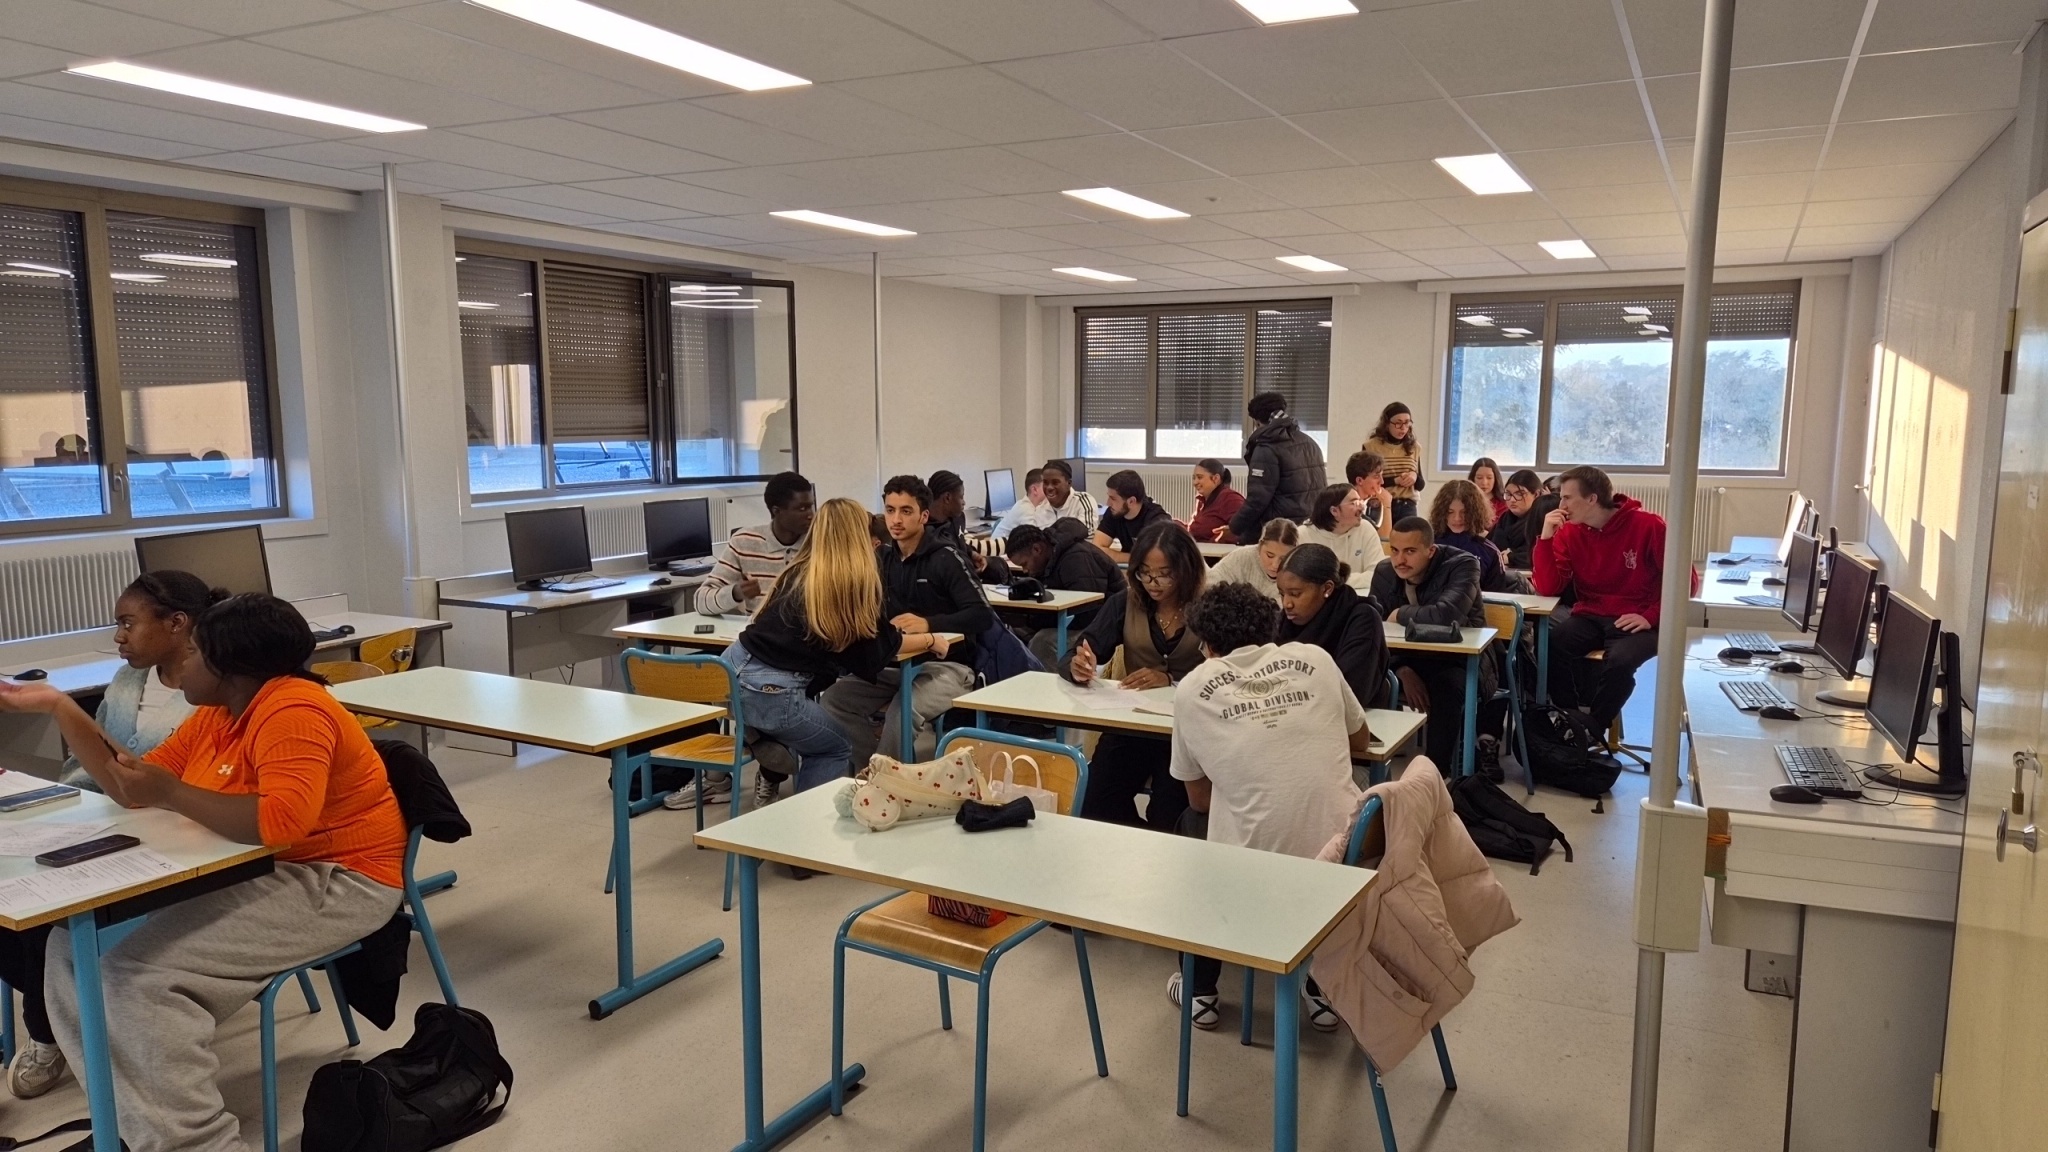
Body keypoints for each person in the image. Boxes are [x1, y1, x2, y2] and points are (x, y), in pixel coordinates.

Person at [0, 594, 408, 1152]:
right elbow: (132, 785)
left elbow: (281, 822)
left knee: (139, 980)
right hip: (249, 867)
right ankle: (136, 1126)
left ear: (229, 665)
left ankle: (198, 1141)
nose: (182, 664)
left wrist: (172, 792)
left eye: (192, 652)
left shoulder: (294, 709)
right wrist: (58, 707)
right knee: (70, 949)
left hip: (337, 879)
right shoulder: (219, 713)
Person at [0, 571, 228, 1100]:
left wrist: (59, 707)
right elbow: (96, 760)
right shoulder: (129, 679)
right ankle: (61, 1005)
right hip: (93, 808)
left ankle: (48, 1026)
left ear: (177, 624)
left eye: (128, 623)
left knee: (48, 914)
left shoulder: (209, 692)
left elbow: (147, 780)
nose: (119, 637)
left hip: (160, 830)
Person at [1165, 581, 1369, 1031]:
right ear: (1270, 628)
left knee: (1190, 826)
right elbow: (1359, 738)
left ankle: (1200, 989)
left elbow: (1199, 798)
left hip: (1259, 877)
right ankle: (1322, 986)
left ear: (1207, 644)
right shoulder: (1315, 658)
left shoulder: (1193, 688)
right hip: (1348, 857)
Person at [727, 498, 954, 798]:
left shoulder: (797, 571)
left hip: (731, 670)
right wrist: (930, 640)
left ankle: (762, 733)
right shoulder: (849, 585)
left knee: (805, 724)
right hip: (774, 690)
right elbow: (875, 651)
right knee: (834, 747)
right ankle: (810, 820)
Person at [824, 475, 994, 768]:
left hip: (949, 668)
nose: (896, 520)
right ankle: (875, 770)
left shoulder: (946, 557)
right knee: (834, 699)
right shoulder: (881, 559)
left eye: (906, 511)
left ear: (924, 516)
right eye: (890, 510)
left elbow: (982, 615)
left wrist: (929, 624)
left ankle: (889, 782)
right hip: (894, 665)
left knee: (902, 711)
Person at [1061, 521, 1206, 832]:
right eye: (1144, 572)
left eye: (1165, 574)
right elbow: (1081, 648)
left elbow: (1232, 672)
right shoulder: (1126, 602)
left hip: (1186, 731)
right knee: (1094, 803)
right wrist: (1078, 664)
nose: (1153, 583)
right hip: (1133, 726)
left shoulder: (1207, 606)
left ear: (1186, 570)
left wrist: (1171, 679)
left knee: (1169, 814)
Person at [691, 471, 816, 809]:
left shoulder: (819, 544)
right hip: (752, 646)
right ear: (776, 511)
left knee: (774, 688)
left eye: (812, 506)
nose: (811, 514)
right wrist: (734, 593)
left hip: (797, 648)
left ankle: (767, 769)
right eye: (802, 508)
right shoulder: (745, 541)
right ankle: (722, 770)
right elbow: (702, 599)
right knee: (705, 676)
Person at [1533, 465, 1667, 729]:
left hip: (1640, 618)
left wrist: (1651, 616)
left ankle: (1593, 727)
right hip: (1592, 615)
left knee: (1619, 662)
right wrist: (1546, 538)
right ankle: (1569, 718)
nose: (1561, 505)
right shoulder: (1570, 531)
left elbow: (1686, 582)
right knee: (1551, 644)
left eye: (1567, 498)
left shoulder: (1649, 525)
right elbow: (1548, 588)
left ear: (1592, 499)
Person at [1369, 517, 1495, 773]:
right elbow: (1374, 630)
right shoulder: (1384, 571)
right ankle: (1369, 769)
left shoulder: (1463, 564)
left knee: (1447, 687)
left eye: (1410, 551)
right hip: (1407, 659)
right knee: (1369, 677)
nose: (1400, 560)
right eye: (1394, 550)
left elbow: (1446, 616)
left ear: (1431, 550)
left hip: (1460, 661)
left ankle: (1435, 774)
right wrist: (1402, 669)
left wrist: (1400, 614)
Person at [1276, 544, 1390, 709]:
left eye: (1295, 594)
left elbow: (1350, 692)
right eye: (1281, 593)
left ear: (1327, 588)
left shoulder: (1362, 619)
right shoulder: (1284, 622)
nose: (1286, 603)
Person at [1002, 518, 1121, 667]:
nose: (1025, 571)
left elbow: (1087, 612)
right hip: (1074, 620)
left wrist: (1034, 620)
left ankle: (1049, 681)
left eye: (1024, 564)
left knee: (1043, 642)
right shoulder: (1046, 561)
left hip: (1103, 625)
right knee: (1012, 632)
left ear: (1037, 549)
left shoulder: (1077, 558)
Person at [1229, 390, 1326, 543]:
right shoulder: (1310, 442)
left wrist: (1234, 527)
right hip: (1310, 527)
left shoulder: (1266, 448)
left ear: (1257, 421)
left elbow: (1258, 499)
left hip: (1279, 530)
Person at [927, 469, 1011, 583]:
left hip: (965, 568)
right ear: (947, 498)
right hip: (946, 577)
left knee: (997, 565)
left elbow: (960, 543)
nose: (964, 502)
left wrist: (972, 553)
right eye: (961, 497)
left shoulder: (957, 518)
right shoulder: (925, 528)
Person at [1295, 483, 1382, 592]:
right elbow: (1300, 580)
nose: (1362, 507)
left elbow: (1378, 575)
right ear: (1334, 511)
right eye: (1354, 503)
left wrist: (1333, 582)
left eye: (1360, 501)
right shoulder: (1302, 535)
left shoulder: (1365, 529)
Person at [1429, 479, 1512, 593]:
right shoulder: (1428, 545)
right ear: (1441, 513)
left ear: (1475, 513)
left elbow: (1496, 597)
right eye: (1450, 512)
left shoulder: (1490, 552)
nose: (1457, 518)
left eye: (1464, 512)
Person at [1208, 517, 1298, 604]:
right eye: (1269, 555)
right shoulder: (1242, 557)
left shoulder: (1297, 572)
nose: (1275, 565)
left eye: (1283, 559)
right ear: (1259, 546)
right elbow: (1212, 581)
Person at [1363, 402, 1425, 522]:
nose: (1403, 428)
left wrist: (1414, 476)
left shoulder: (1414, 447)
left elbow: (1420, 485)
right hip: (1380, 503)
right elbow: (1366, 482)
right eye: (1398, 423)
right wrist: (1395, 481)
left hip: (1407, 505)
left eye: (1407, 423)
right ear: (1387, 424)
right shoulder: (1371, 446)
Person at [1093, 469, 1173, 554]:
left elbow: (1156, 557)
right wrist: (1133, 558)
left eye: (1113, 498)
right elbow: (1096, 550)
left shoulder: (1156, 520)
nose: (1108, 503)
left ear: (1131, 501)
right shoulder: (1114, 512)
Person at [1491, 468, 1558, 570]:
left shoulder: (1543, 518)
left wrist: (1512, 557)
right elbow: (1490, 546)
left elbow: (1539, 554)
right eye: (1508, 494)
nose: (1512, 500)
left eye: (1520, 494)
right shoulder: (1505, 518)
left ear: (1536, 494)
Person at [1186, 458, 1243, 544]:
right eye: (1194, 478)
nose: (1195, 482)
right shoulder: (1202, 499)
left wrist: (1215, 542)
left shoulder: (1231, 499)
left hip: (1217, 551)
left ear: (1216, 478)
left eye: (1199, 477)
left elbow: (1242, 530)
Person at [1344, 450, 1396, 541]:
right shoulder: (1346, 505)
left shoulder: (1373, 503)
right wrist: (1387, 506)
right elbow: (1383, 539)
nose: (1382, 482)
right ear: (1359, 480)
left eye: (1382, 476)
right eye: (1376, 476)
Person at [990, 467, 1048, 540]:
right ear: (1034, 489)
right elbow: (1035, 538)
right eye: (1046, 484)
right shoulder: (1025, 509)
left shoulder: (1036, 506)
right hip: (1000, 546)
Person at [1037, 459, 1098, 526]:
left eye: (1055, 483)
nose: (1049, 487)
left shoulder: (1082, 501)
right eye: (1045, 483)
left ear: (1069, 483)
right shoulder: (1040, 509)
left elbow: (1088, 532)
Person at [1468, 457, 1507, 522]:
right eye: (1479, 478)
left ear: (1496, 479)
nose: (1484, 482)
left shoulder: (1504, 505)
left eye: (1489, 478)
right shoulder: (1466, 502)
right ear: (1473, 479)